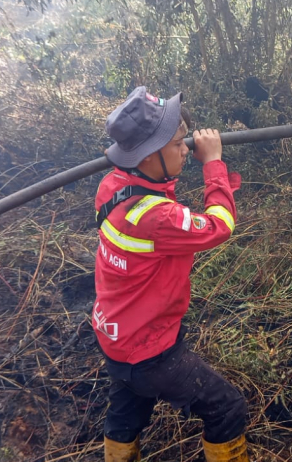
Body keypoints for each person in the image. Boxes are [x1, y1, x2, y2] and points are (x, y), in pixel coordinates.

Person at [93, 87, 248, 462]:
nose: (185, 149)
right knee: (228, 408)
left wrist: (175, 160)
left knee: (127, 412)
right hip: (150, 352)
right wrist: (213, 164)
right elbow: (220, 225)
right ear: (147, 156)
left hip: (115, 335)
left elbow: (158, 190)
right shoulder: (156, 217)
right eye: (178, 143)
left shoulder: (113, 187)